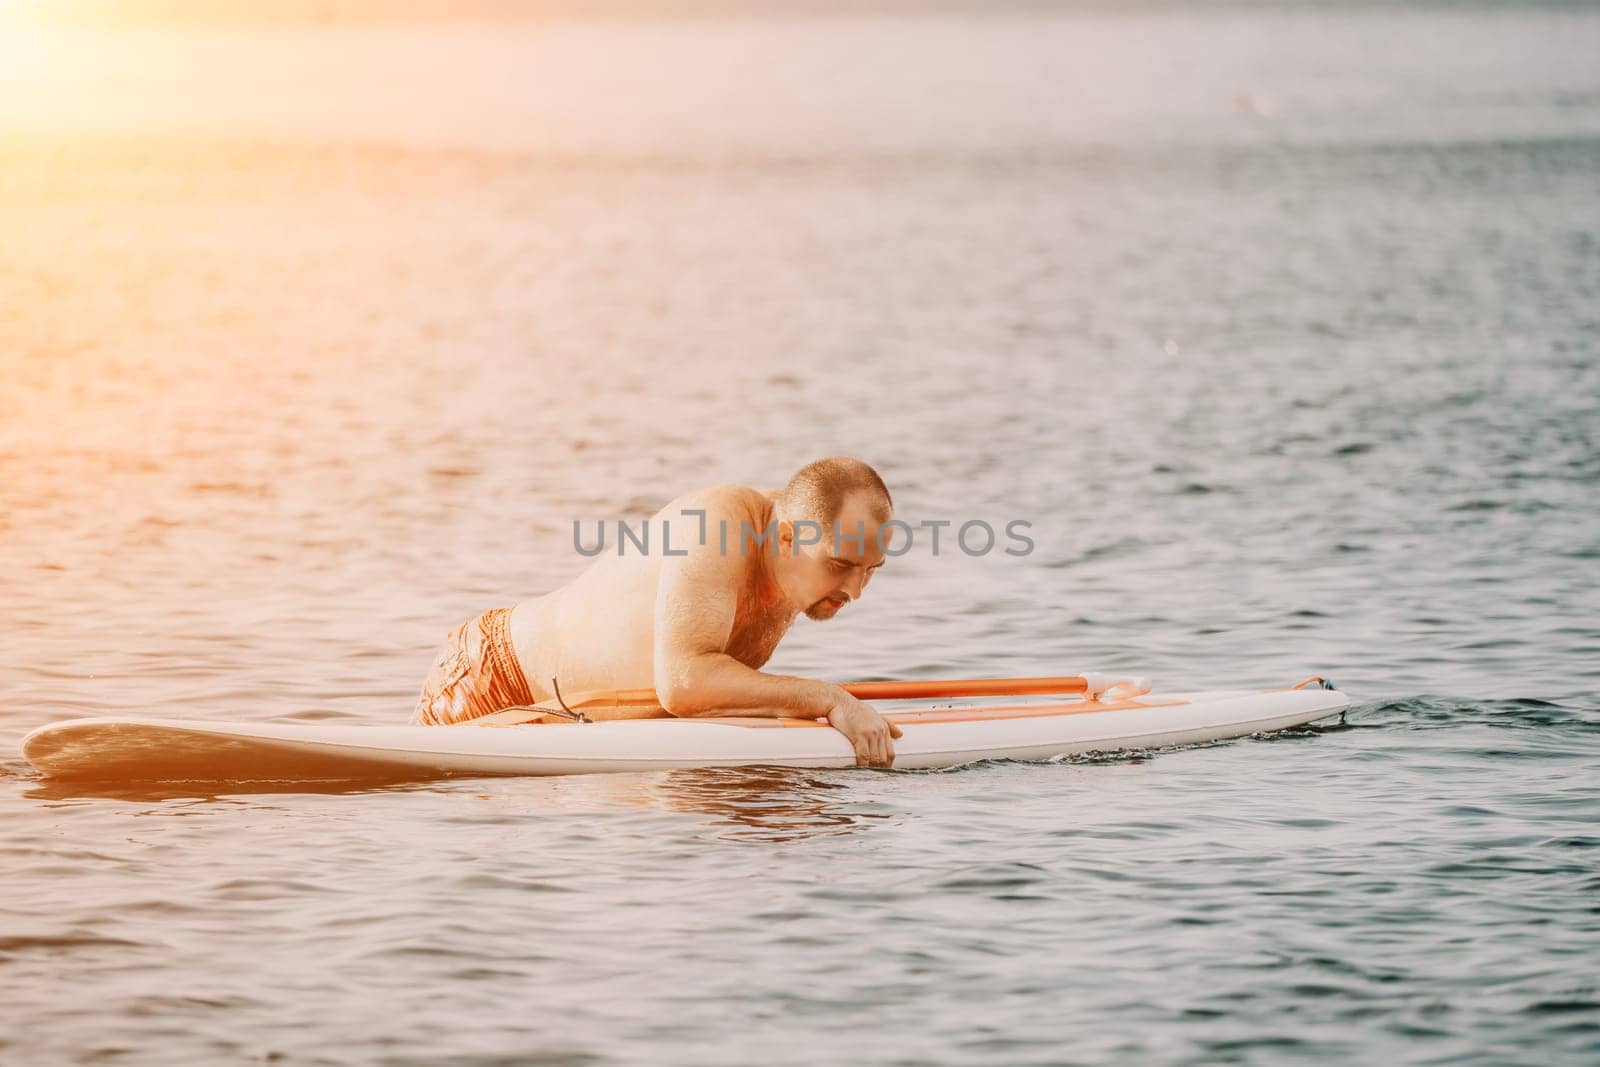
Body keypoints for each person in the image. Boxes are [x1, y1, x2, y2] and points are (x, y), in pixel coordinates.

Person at [411, 456, 904, 767]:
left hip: (568, 727)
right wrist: (830, 700)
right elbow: (684, 683)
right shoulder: (719, 527)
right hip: (492, 684)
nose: (855, 591)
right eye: (840, 565)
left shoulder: (798, 541)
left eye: (871, 570)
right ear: (786, 538)